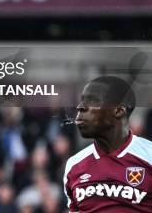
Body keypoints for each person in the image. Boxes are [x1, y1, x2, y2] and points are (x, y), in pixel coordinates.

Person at [63, 76, 152, 212]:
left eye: (92, 100)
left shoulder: (149, 156)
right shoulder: (73, 165)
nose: (80, 107)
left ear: (118, 110)